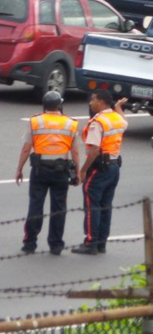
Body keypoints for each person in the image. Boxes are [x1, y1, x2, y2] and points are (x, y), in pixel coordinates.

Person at [14, 92, 79, 255]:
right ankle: (56, 245)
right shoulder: (71, 123)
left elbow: (26, 148)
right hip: (61, 171)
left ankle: (29, 243)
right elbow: (75, 152)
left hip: (39, 170)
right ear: (59, 105)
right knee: (59, 208)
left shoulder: (35, 121)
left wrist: (19, 169)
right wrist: (78, 171)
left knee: (35, 206)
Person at [73, 90, 127, 255]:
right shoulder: (116, 118)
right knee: (105, 205)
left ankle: (91, 243)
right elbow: (124, 122)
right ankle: (101, 242)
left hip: (99, 168)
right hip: (114, 168)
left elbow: (94, 149)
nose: (90, 103)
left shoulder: (98, 122)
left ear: (102, 102)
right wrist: (118, 107)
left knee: (92, 205)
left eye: (93, 99)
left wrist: (83, 170)